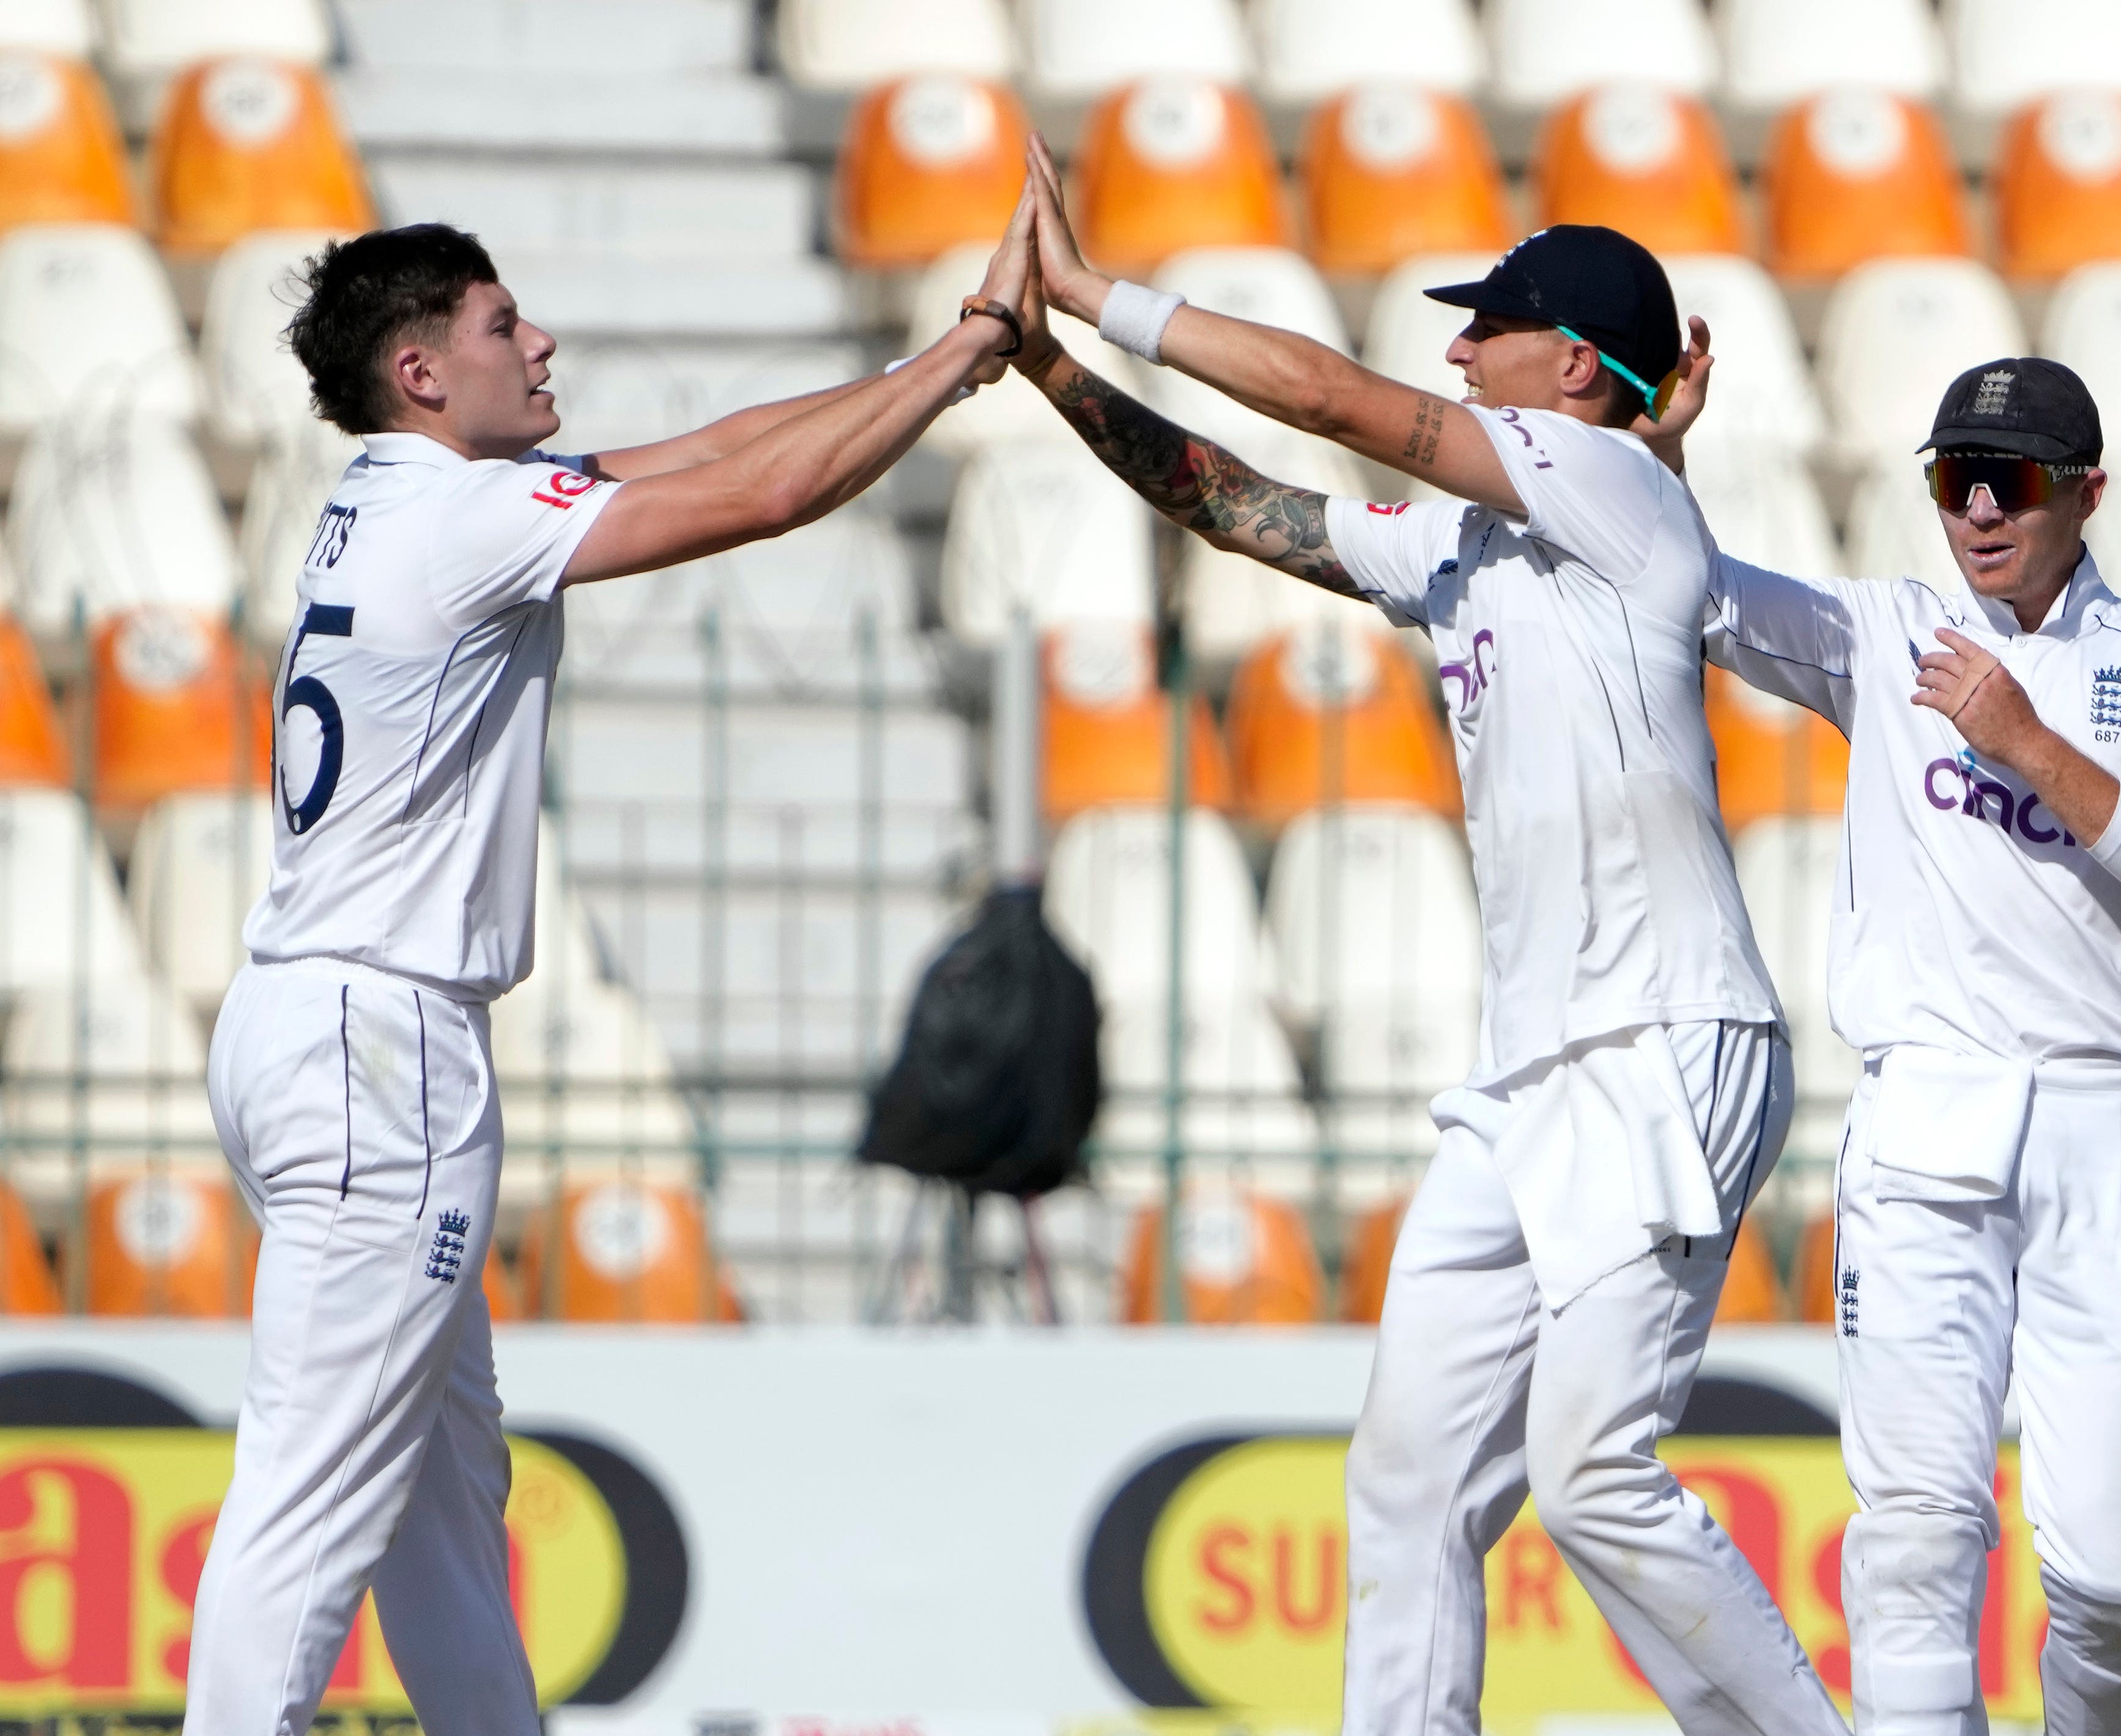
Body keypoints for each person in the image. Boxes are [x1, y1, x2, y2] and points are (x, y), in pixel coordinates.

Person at [1003, 144, 1845, 1736]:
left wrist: (1096, 289)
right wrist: (1049, 369)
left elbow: (1331, 404)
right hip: (1524, 1082)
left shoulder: (1611, 485)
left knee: (1594, 1476)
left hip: (1664, 1045)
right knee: (1402, 1483)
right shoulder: (1470, 543)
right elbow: (1246, 511)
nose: (1454, 352)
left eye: (1489, 330)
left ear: (1576, 373)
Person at [192, 197, 1042, 1736]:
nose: (542, 340)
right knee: (313, 1493)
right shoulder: (460, 522)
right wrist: (963, 355)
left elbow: (710, 447)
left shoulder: (399, 499)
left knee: (441, 1499)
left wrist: (954, 355)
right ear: (422, 372)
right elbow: (771, 494)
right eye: (503, 323)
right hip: (385, 1041)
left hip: (307, 1021)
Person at [1694, 357, 2121, 1736]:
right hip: (1925, 1126)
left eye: (2015, 483)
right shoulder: (1885, 633)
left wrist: (2023, 736)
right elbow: (1694, 592)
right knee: (1915, 1541)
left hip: (2105, 1132)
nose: (1982, 510)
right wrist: (1656, 456)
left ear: (2089, 494)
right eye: (1956, 481)